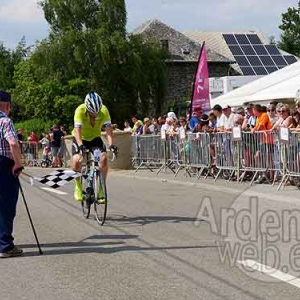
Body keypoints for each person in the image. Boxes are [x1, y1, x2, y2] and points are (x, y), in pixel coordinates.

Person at [71, 92, 118, 203]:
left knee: (104, 159)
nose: (95, 115)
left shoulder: (104, 111)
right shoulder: (80, 110)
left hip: (95, 138)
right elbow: (77, 131)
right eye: (92, 113)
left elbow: (109, 131)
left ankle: (101, 189)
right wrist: (81, 145)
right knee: (77, 160)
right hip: (80, 138)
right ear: (87, 108)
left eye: (97, 112)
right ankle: (77, 186)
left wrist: (111, 145)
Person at [0, 90, 23, 258]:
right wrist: (18, 164)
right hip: (3, 164)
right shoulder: (5, 121)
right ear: (7, 105)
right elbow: (13, 144)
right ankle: (5, 245)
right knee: (6, 205)